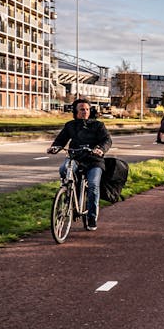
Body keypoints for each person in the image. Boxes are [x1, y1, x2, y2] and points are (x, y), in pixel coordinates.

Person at [47, 98, 112, 231]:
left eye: (87, 109)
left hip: (94, 160)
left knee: (93, 185)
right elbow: (61, 139)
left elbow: (107, 139)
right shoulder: (70, 125)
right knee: (63, 169)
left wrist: (100, 149)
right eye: (82, 109)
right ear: (76, 111)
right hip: (75, 157)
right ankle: (69, 191)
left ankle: (91, 217)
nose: (85, 112)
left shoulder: (98, 125)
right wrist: (55, 147)